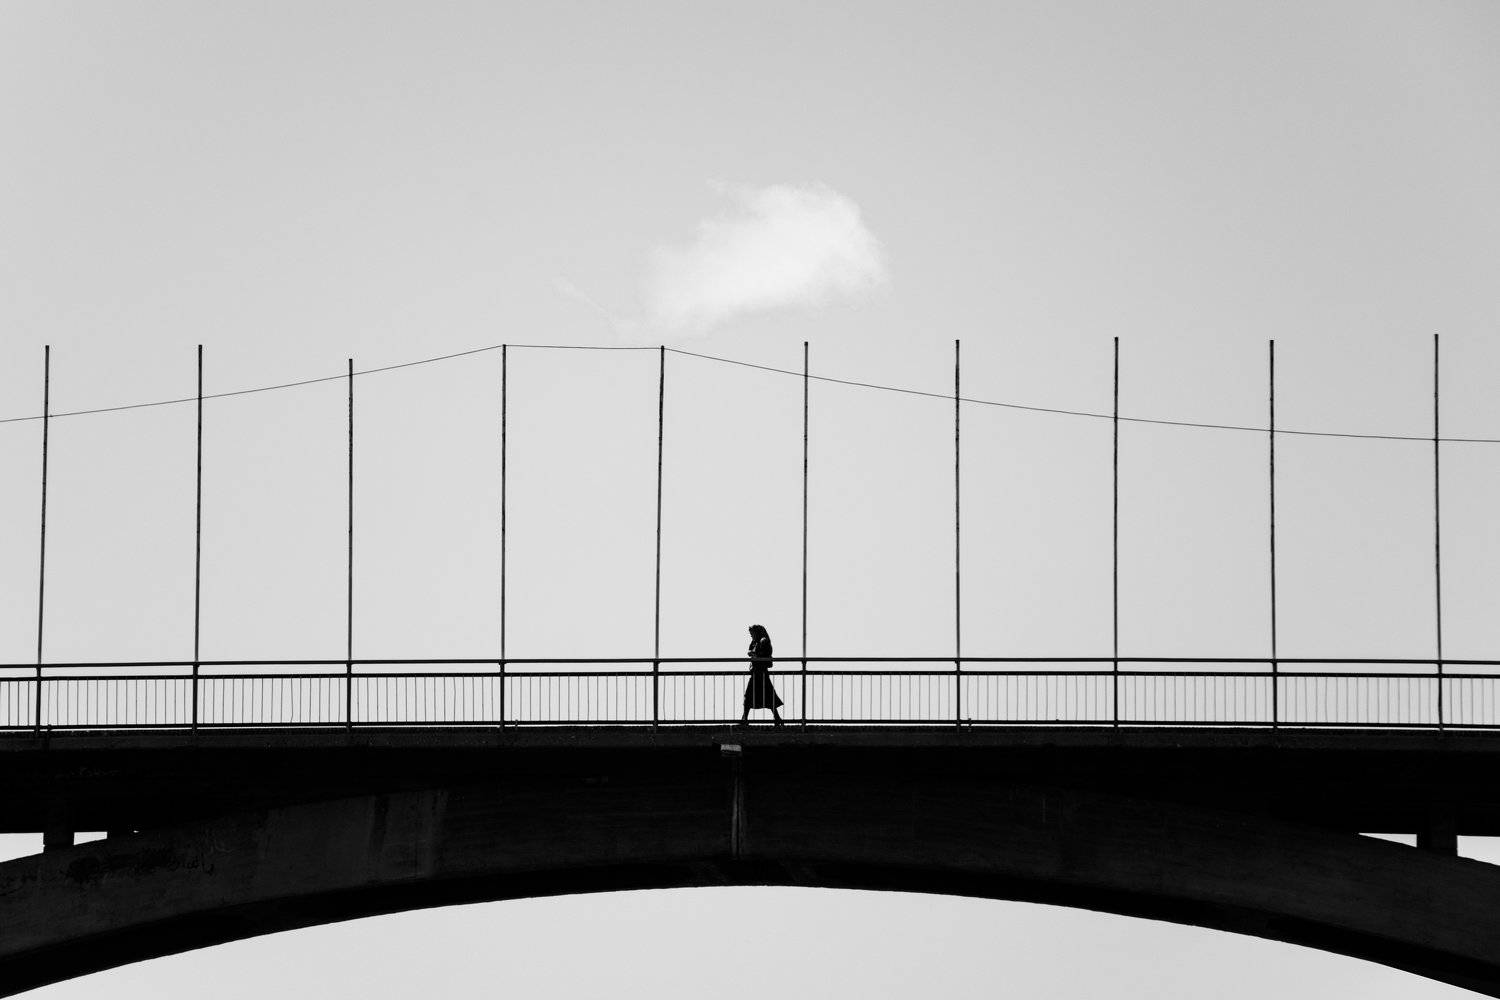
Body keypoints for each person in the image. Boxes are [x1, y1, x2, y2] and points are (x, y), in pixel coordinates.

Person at [741, 624, 784, 725]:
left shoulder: (763, 641)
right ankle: (777, 718)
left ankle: (745, 718)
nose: (751, 635)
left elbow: (764, 655)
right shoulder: (755, 641)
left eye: (752, 633)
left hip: (760, 672)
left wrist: (753, 654)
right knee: (765, 695)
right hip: (757, 672)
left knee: (755, 695)